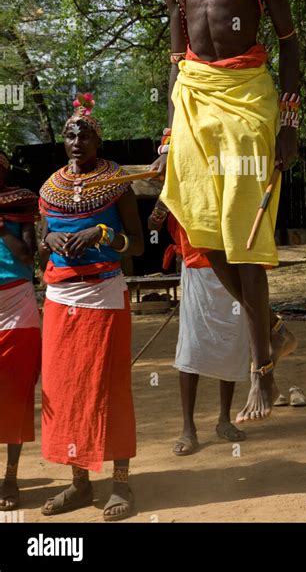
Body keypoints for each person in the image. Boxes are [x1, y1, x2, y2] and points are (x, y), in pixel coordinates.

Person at [153, 0, 299, 423]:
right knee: (198, 231)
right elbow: (174, 58)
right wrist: (168, 132)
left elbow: (289, 40)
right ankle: (275, 330)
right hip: (193, 98)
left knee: (245, 240)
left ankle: (262, 370)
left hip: (246, 103)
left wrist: (287, 123)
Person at [38, 94, 144, 521]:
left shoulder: (117, 184)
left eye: (85, 133)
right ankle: (79, 483)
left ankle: (121, 482)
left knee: (109, 387)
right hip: (60, 299)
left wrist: (102, 233)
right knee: (65, 391)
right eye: (70, 133)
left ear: (98, 140)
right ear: (64, 142)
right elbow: (43, 233)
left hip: (103, 295)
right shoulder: (51, 186)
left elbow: (135, 246)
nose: (77, 139)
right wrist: (50, 241)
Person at [149, 204, 248, 455]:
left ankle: (224, 420)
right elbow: (153, 225)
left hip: (231, 266)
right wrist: (162, 208)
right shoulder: (180, 181)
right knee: (191, 350)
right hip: (195, 270)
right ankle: (188, 429)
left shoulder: (226, 174)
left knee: (230, 343)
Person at [0, 151, 41, 510]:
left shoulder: (20, 202)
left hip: (17, 309)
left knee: (15, 398)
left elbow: (29, 256)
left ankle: (10, 478)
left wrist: (1, 228)